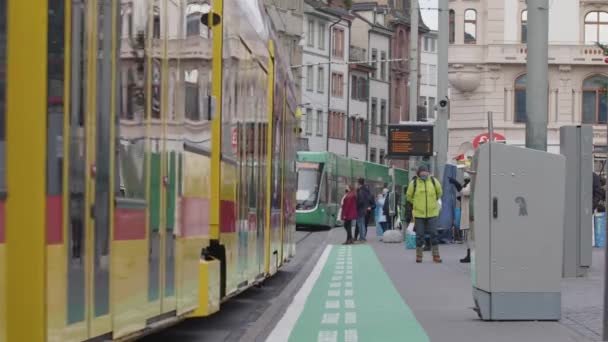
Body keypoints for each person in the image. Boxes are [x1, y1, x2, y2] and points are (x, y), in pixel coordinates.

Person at [406, 164, 443, 263]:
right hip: (419, 214)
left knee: (434, 233)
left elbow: (439, 193)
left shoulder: (433, 181)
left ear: (428, 172)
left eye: (425, 172)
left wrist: (433, 202)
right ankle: (419, 255)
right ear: (418, 173)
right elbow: (409, 196)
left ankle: (436, 255)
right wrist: (416, 203)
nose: (424, 174)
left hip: (432, 213)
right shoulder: (414, 183)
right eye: (422, 172)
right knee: (419, 235)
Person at [450, 173, 472, 263]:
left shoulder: (471, 184)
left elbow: (466, 192)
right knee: (468, 236)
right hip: (466, 212)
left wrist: (456, 183)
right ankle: (469, 254)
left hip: (469, 214)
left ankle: (470, 255)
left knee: (470, 236)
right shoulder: (468, 184)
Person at [356, 178, 374, 242]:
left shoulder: (360, 191)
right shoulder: (366, 191)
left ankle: (362, 237)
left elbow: (360, 201)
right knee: (363, 224)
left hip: (361, 210)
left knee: (361, 224)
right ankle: (362, 237)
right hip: (365, 210)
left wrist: (356, 206)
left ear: (359, 183)